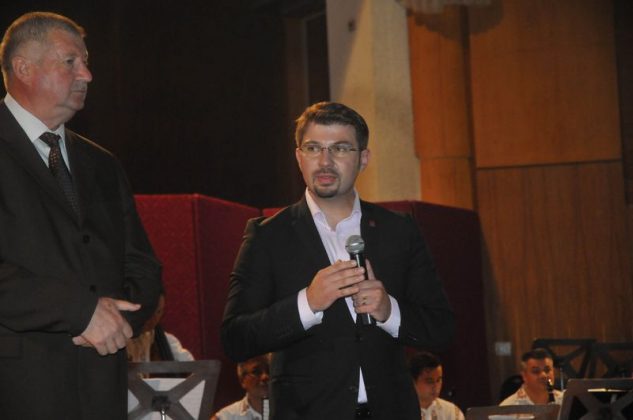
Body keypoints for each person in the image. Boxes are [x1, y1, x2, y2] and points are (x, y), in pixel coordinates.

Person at [221, 101, 455, 419]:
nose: (325, 161)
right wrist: (307, 303)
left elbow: (441, 328)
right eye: (313, 148)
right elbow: (235, 338)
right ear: (299, 157)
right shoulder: (268, 236)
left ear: (363, 158)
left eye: (340, 148)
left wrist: (389, 311)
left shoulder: (398, 230)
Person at [0, 11, 162, 419]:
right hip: (18, 388)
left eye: (86, 63)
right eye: (71, 61)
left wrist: (119, 322)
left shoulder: (102, 164)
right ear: (23, 68)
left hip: (102, 387)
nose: (87, 75)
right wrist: (81, 313)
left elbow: (142, 267)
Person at [127, 293, 194, 362]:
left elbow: (187, 361)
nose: (154, 317)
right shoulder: (124, 335)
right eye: (151, 311)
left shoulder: (161, 337)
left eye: (159, 311)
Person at [212, 354, 271, 420]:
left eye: (269, 371)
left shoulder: (281, 410)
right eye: (256, 372)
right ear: (242, 380)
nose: (265, 377)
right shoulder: (225, 417)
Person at [409, 351, 464, 420]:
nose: (436, 386)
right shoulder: (399, 412)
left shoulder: (451, 412)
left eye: (438, 380)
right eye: (429, 381)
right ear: (413, 382)